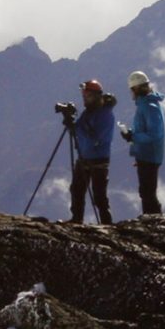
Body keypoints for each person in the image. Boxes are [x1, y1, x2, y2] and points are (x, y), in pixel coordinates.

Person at [68, 79, 116, 224]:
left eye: (87, 95)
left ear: (95, 95)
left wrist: (76, 128)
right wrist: (71, 124)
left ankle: (107, 225)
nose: (84, 98)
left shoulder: (105, 114)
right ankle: (77, 219)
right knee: (76, 190)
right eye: (83, 95)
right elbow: (80, 131)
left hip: (98, 160)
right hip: (85, 157)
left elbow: (95, 138)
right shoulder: (88, 112)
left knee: (99, 196)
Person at [121, 70, 165, 215]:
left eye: (132, 89)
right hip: (147, 155)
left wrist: (133, 137)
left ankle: (154, 221)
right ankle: (152, 221)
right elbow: (144, 129)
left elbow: (154, 134)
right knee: (146, 191)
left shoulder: (149, 107)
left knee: (148, 192)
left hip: (150, 156)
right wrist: (132, 134)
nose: (131, 93)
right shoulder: (145, 105)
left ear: (137, 89)